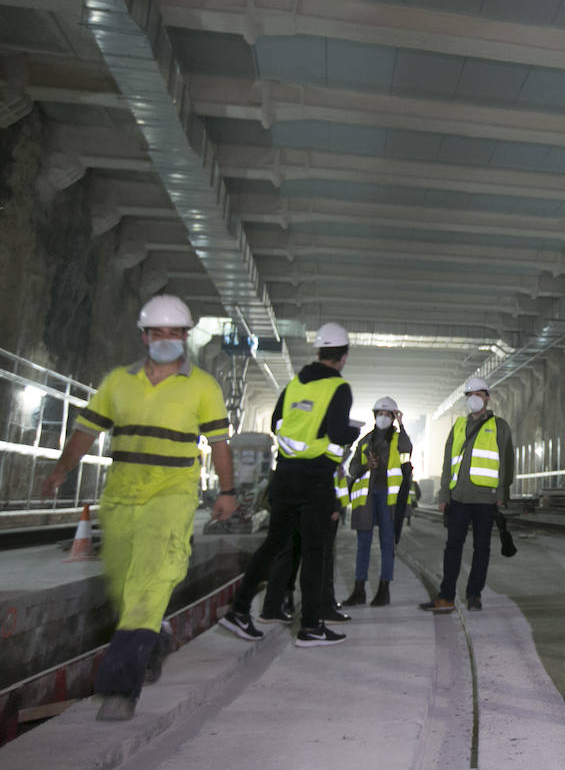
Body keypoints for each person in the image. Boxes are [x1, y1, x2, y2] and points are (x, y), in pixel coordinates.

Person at [38, 295, 236, 720]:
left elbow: (220, 444)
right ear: (144, 336)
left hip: (171, 496)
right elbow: (85, 431)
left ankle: (119, 689)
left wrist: (227, 491)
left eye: (174, 333)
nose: (166, 340)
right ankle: (156, 636)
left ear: (186, 338)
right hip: (122, 495)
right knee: (123, 585)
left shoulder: (202, 386)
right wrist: (60, 471)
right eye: (157, 332)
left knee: (148, 583)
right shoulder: (118, 383)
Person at [219, 322, 359, 647]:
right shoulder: (339, 388)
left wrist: (299, 443)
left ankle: (239, 610)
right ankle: (310, 627)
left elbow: (277, 423)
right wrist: (352, 433)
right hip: (315, 480)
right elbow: (338, 433)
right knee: (313, 551)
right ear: (344, 356)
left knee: (273, 544)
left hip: (284, 476)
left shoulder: (295, 383)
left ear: (319, 351)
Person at [419, 377, 514, 613]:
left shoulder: (499, 426)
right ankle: (446, 596)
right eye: (470, 395)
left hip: (485, 498)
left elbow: (507, 461)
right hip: (459, 498)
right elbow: (447, 463)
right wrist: (443, 495)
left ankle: (474, 595)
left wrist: (502, 493)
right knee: (453, 547)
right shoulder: (459, 426)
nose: (474, 399)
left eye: (479, 394)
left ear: (487, 397)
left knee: (481, 548)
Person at [341, 397, 412, 608]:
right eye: (380, 414)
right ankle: (359, 589)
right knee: (363, 545)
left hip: (388, 499)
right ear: (375, 416)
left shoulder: (399, 439)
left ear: (393, 417)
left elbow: (408, 449)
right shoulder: (365, 441)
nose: (384, 417)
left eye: (388, 414)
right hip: (367, 498)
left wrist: (402, 424)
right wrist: (366, 466)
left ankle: (384, 590)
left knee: (387, 545)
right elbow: (353, 468)